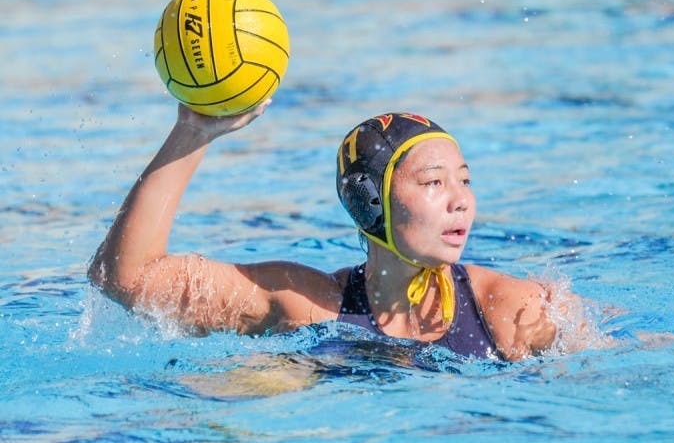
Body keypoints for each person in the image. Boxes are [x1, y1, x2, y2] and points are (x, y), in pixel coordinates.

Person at [88, 102, 558, 361]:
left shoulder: (507, 307)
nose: (462, 200)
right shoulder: (308, 304)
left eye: (465, 179)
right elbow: (125, 277)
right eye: (434, 182)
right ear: (368, 202)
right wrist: (193, 132)